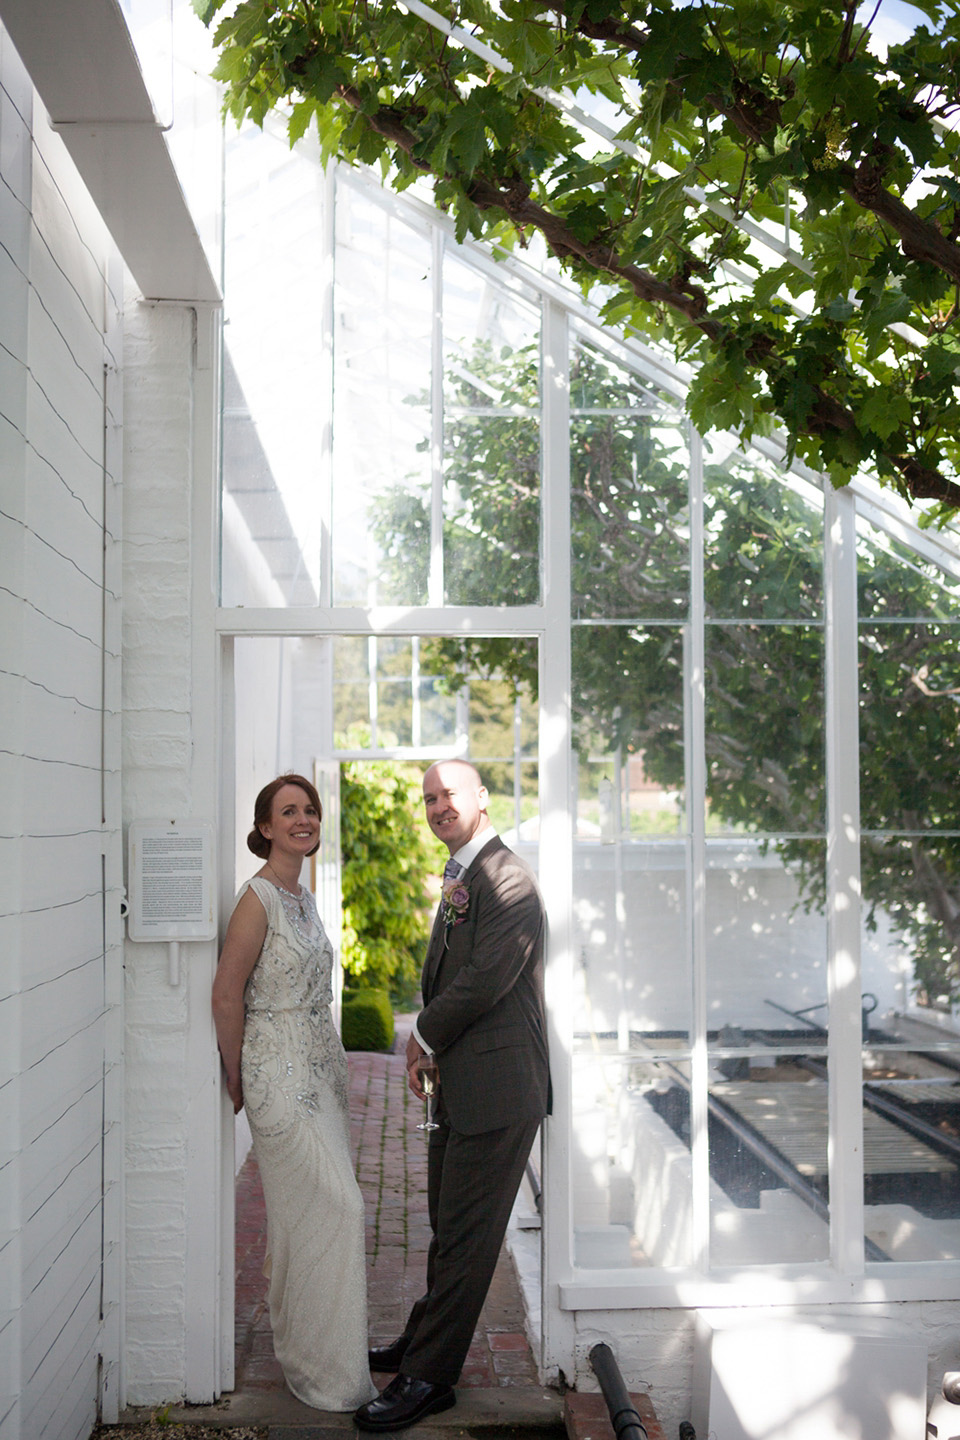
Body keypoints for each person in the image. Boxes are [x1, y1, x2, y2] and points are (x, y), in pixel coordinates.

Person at [354, 759, 549, 1433]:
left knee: (466, 1236)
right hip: (463, 1084)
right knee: (448, 1225)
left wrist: (421, 1037)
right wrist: (433, 1053)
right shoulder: (464, 873)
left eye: (449, 794)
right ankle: (423, 1339)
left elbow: (487, 978)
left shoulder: (508, 877)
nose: (437, 806)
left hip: (500, 1091)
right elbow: (451, 975)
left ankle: (430, 1378)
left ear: (482, 799)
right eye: (429, 797)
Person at [212, 774, 376, 1412]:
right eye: (289, 812)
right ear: (266, 828)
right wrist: (235, 1075)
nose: (303, 820)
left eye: (309, 810)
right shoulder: (257, 898)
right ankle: (325, 1372)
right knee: (341, 1208)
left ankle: (314, 1346)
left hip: (321, 1075)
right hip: (277, 1078)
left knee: (307, 1219)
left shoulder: (303, 898)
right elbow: (227, 992)